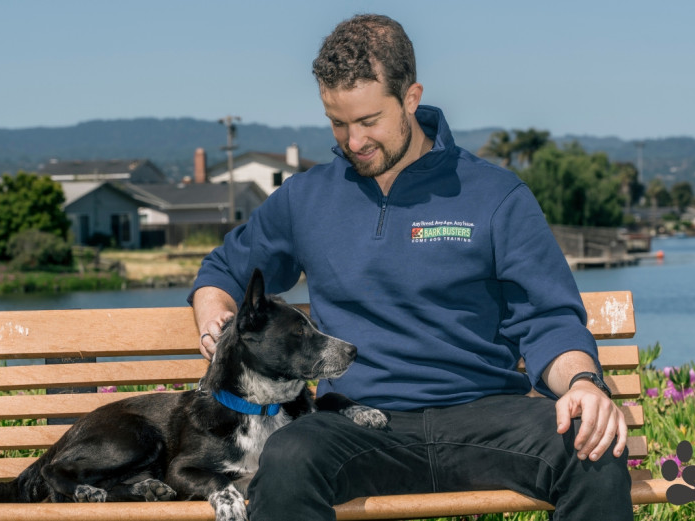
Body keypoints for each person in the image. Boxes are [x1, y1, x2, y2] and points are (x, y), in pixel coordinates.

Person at [189, 13, 632, 521]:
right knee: (287, 459)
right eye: (338, 122)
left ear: (412, 98)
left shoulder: (495, 195)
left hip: (484, 416)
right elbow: (225, 270)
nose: (353, 142)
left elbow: (549, 319)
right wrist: (212, 310)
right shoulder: (305, 199)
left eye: (369, 121)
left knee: (592, 454)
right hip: (358, 424)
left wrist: (583, 385)